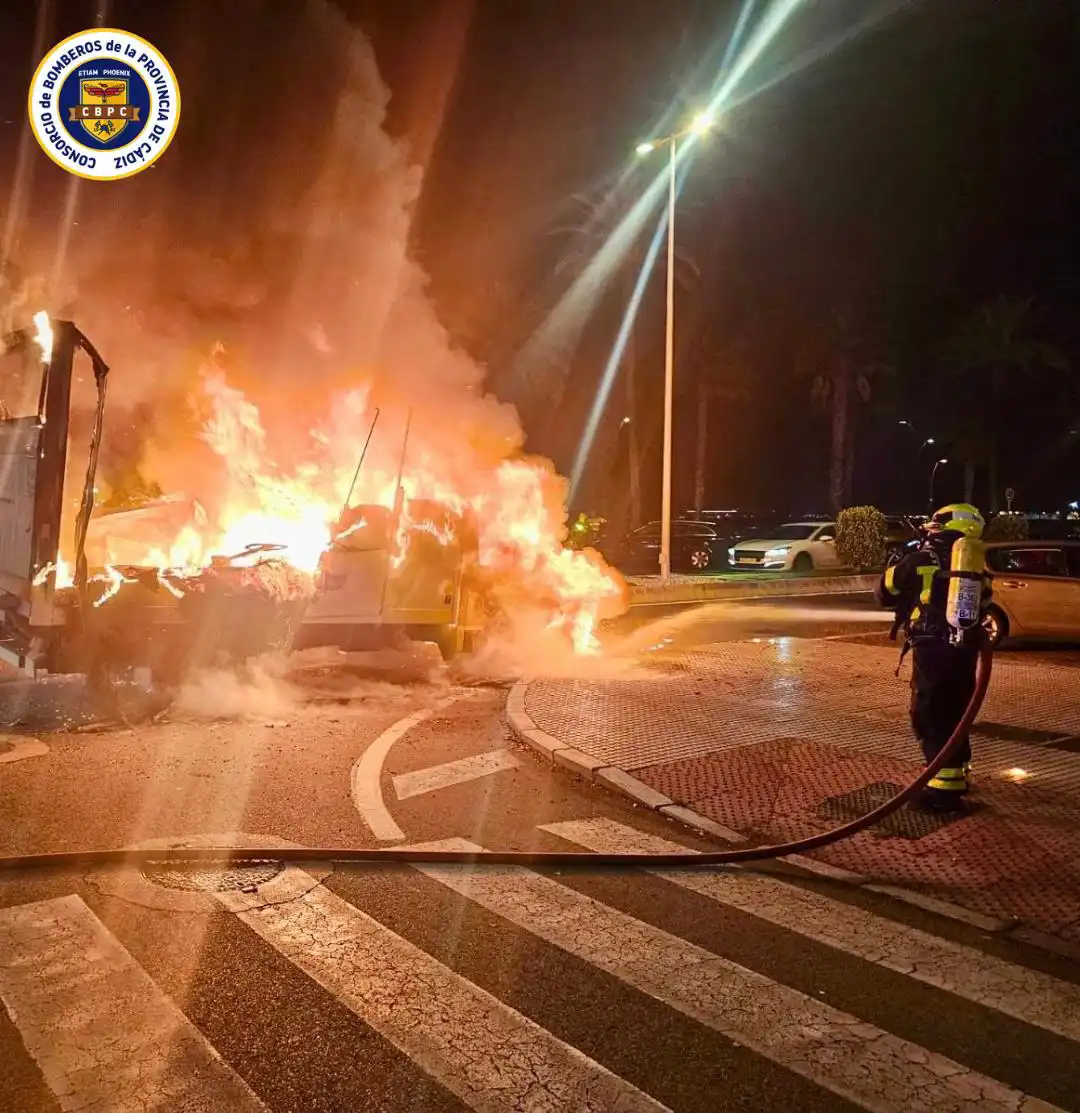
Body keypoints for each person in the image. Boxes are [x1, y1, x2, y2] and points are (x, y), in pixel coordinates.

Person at [875, 503, 992, 810]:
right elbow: (988, 599)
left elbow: (885, 593)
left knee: (931, 714)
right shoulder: (974, 566)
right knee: (958, 708)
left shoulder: (920, 559)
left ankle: (943, 791)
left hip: (931, 647)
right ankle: (960, 772)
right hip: (964, 648)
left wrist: (898, 561)